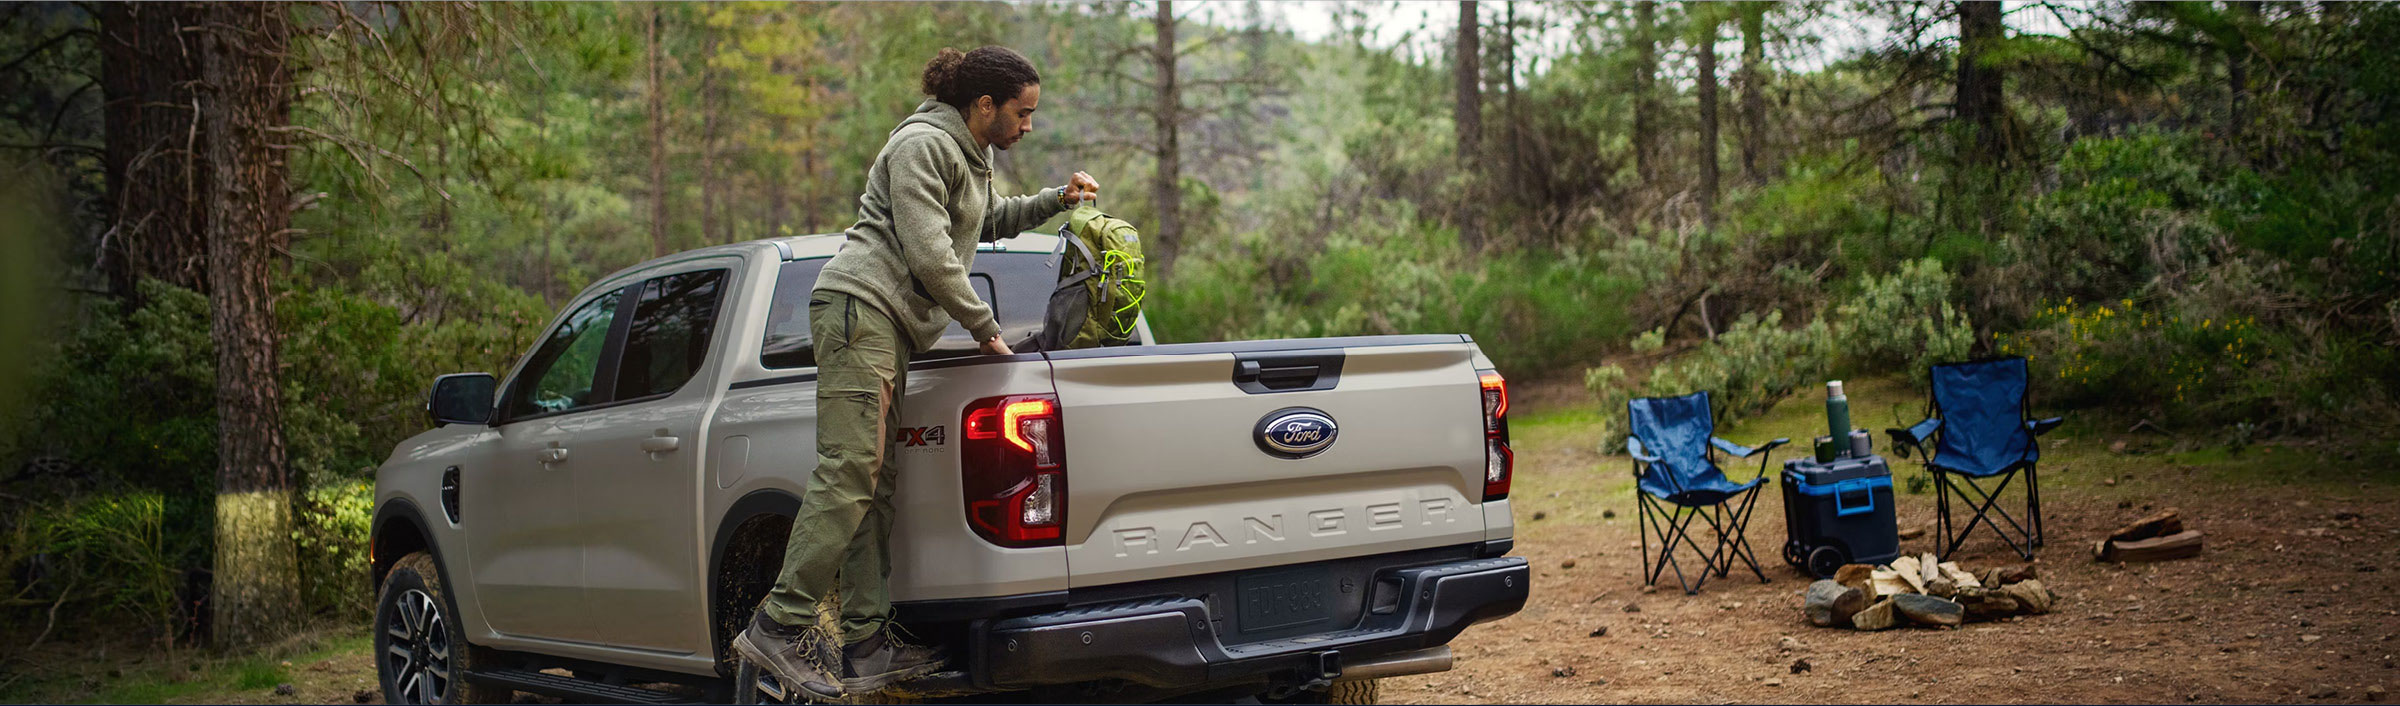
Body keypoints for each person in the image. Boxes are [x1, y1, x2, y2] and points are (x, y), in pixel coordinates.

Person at [731, 45, 1099, 699]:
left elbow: (987, 222)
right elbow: (932, 252)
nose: (1029, 126)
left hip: (890, 327)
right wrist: (987, 328)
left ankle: (867, 644)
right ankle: (779, 626)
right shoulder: (922, 145)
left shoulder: (970, 153)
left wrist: (1055, 200)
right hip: (859, 311)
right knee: (847, 474)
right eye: (1023, 113)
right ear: (984, 105)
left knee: (875, 486)